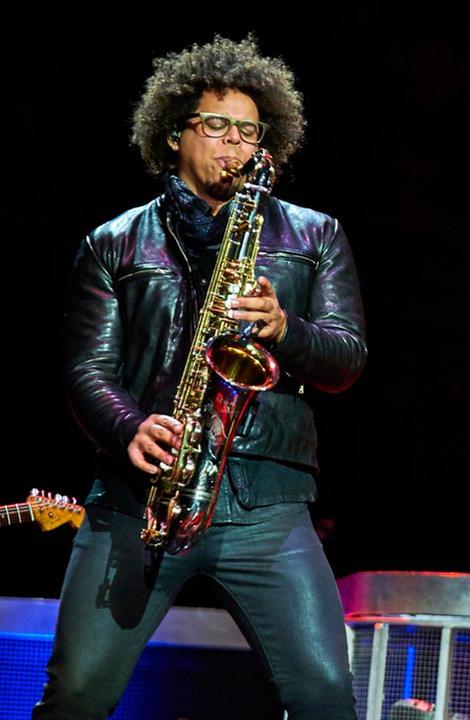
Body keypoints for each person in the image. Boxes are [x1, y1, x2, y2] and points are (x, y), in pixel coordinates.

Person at [37, 37, 366, 718]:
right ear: (173, 132)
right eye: (216, 125)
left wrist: (286, 330)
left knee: (325, 695)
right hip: (140, 499)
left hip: (265, 501)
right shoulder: (115, 241)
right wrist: (130, 428)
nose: (234, 144)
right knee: (74, 697)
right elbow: (86, 369)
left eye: (249, 130)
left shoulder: (315, 235)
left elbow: (347, 356)